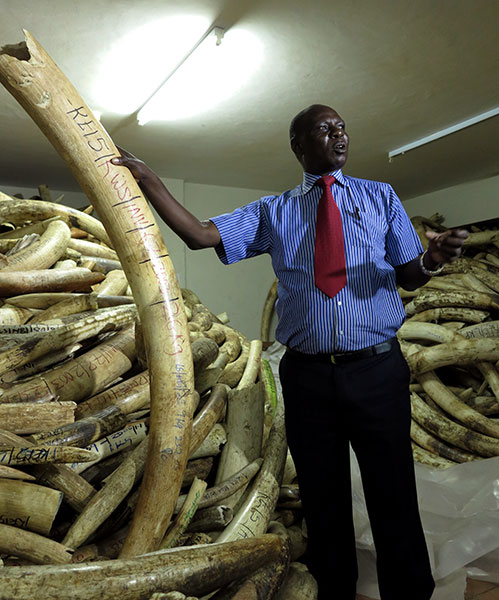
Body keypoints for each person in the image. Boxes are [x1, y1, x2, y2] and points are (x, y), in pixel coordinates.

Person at [111, 104, 468, 600]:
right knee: (324, 499)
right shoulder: (273, 212)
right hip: (309, 379)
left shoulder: (380, 197)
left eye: (342, 126)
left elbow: (409, 274)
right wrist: (148, 179)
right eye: (324, 129)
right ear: (299, 146)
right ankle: (336, 591)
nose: (339, 134)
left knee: (393, 493)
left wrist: (431, 258)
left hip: (377, 371)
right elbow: (198, 235)